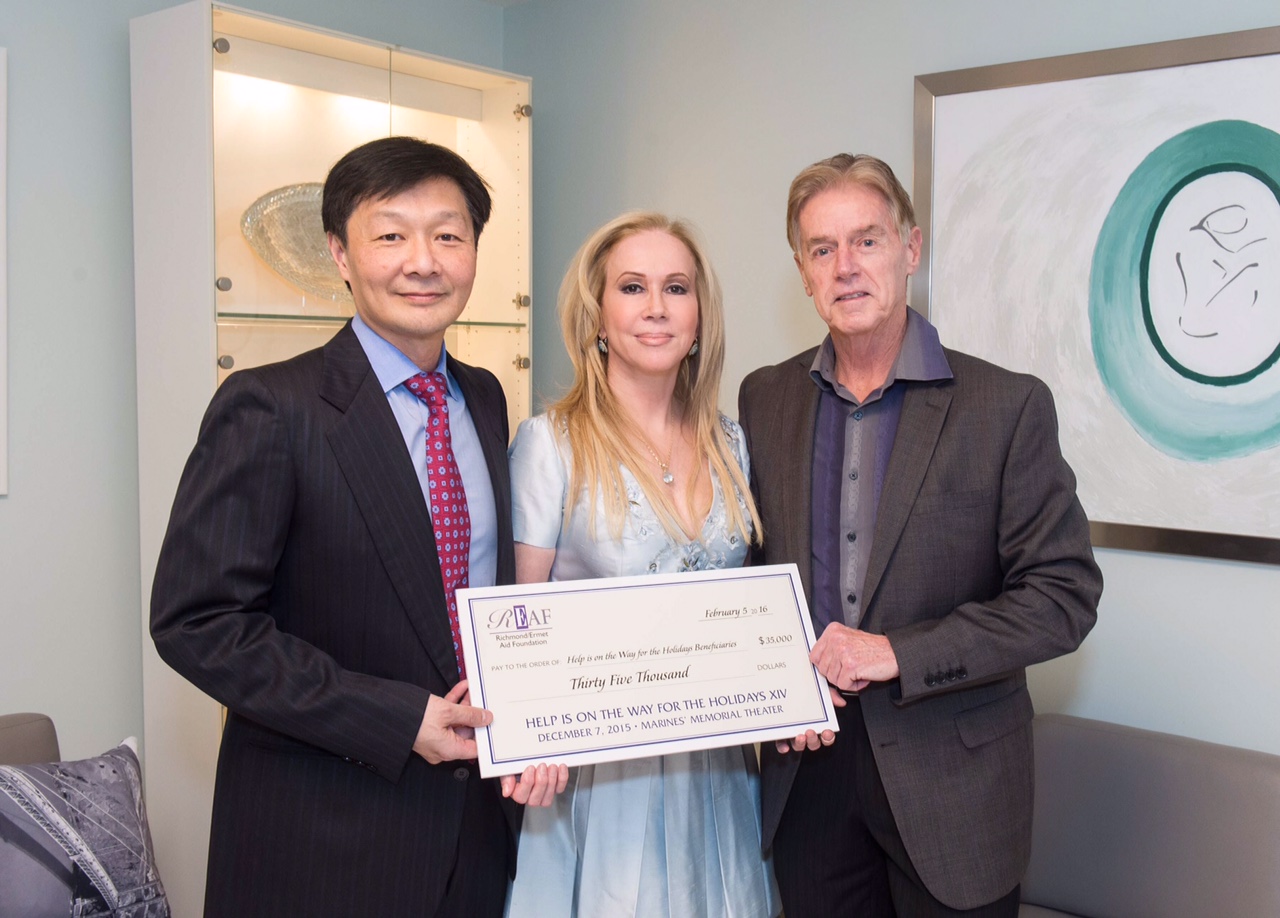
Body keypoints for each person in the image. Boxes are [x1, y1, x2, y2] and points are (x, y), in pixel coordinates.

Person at [150, 136, 560, 918]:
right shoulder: (270, 407)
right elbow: (198, 623)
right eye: (391, 235)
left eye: (448, 235)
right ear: (340, 253)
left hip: (476, 832)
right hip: (324, 843)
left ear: (475, 252)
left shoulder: (482, 396)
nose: (423, 262)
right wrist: (398, 719)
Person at [738, 154, 1103, 916]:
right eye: (822, 248)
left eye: (866, 241)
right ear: (803, 272)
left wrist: (898, 652)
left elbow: (1062, 598)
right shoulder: (764, 398)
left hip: (954, 787)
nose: (845, 267)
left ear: (910, 249)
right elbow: (749, 570)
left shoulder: (1005, 406)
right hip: (809, 772)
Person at [504, 212, 780, 917]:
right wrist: (528, 739)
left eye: (676, 288)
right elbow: (519, 619)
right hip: (599, 782)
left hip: (721, 773)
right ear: (597, 315)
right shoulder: (549, 444)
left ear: (699, 316)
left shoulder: (734, 444)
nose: (656, 307)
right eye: (632, 287)